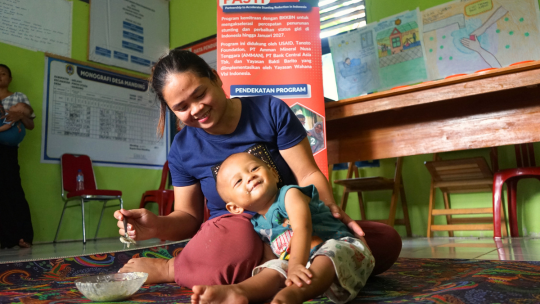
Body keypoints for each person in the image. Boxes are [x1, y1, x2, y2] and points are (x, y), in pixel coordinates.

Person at [115, 49, 401, 291]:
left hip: (293, 221)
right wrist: (155, 225)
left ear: (216, 78)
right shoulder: (182, 149)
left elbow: (308, 174)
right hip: (236, 230)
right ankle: (170, 267)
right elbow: (188, 218)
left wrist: (329, 209)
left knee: (382, 240)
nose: (196, 109)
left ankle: (271, 269)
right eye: (181, 107)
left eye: (200, 93)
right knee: (238, 245)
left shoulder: (270, 111)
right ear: (171, 110)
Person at [190, 152, 375, 304]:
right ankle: (240, 291)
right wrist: (277, 269)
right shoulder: (256, 223)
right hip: (302, 266)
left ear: (274, 173)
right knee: (272, 266)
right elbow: (271, 254)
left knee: (329, 252)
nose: (250, 176)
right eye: (238, 181)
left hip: (342, 250)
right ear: (235, 208)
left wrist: (296, 266)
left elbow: (303, 228)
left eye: (254, 168)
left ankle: (296, 294)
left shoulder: (290, 194)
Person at [0, 64, 35, 249]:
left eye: (3, 74)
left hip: (7, 151)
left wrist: (20, 116)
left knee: (13, 192)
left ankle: (24, 236)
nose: (0, 76)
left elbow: (30, 125)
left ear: (10, 78)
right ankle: (4, 240)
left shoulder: (18, 98)